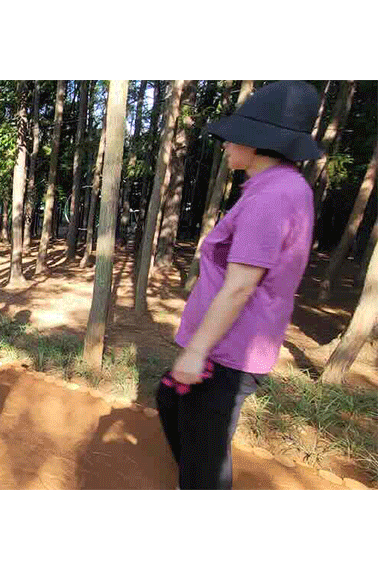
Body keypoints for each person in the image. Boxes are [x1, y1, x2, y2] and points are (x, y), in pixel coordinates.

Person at [157, 81, 323, 489]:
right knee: (171, 402)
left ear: (260, 142)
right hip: (227, 346)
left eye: (235, 136)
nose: (226, 144)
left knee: (204, 460)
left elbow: (239, 287)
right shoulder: (275, 188)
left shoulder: (273, 197)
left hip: (227, 352)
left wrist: (197, 351)